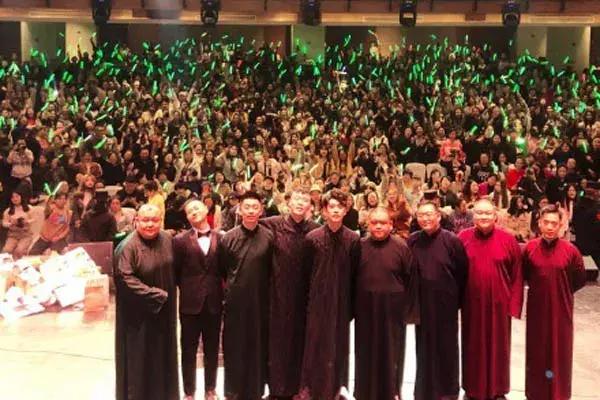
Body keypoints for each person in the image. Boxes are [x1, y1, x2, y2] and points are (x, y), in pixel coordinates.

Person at [458, 199, 524, 400]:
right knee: (472, 346)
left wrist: (513, 306)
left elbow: (517, 275)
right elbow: (454, 271)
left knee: (499, 348)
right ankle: (472, 388)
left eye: (488, 213)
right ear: (473, 216)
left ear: (495, 216)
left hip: (499, 305)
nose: (484, 217)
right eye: (479, 213)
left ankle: (498, 389)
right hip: (472, 304)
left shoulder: (508, 240)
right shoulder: (462, 238)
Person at [298, 189, 361, 400]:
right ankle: (310, 388)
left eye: (339, 207)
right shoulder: (312, 238)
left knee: (339, 344)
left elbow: (355, 274)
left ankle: (338, 388)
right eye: (331, 207)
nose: (335, 210)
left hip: (342, 301)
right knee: (315, 344)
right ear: (324, 211)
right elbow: (305, 273)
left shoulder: (353, 239)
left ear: (345, 210)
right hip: (317, 301)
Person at [260, 187, 320, 400]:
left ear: (310, 206)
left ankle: (299, 388)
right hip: (278, 293)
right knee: (277, 341)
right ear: (288, 202)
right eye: (297, 199)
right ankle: (277, 389)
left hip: (305, 294)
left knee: (301, 341)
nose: (300, 203)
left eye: (305, 200)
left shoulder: (316, 230)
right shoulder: (271, 225)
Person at [114, 204, 179, 400]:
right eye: (145, 220)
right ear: (136, 221)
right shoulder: (127, 247)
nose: (150, 224)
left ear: (161, 221)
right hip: (138, 318)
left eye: (155, 220)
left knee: (163, 358)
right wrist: (155, 295)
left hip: (165, 314)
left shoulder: (167, 239)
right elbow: (124, 278)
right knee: (139, 362)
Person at [523, 205, 586, 400]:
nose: (550, 227)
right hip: (537, 311)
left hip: (561, 311)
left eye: (554, 223)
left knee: (560, 353)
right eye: (546, 222)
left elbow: (579, 279)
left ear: (561, 226)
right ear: (539, 223)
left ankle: (559, 394)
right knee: (537, 352)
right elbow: (525, 275)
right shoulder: (530, 248)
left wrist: (562, 292)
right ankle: (536, 393)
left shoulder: (571, 251)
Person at [355, 207, 418, 400]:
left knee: (392, 352)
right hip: (365, 310)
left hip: (393, 311)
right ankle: (364, 393)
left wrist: (407, 311)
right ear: (368, 224)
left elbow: (410, 279)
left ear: (391, 225)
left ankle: (392, 392)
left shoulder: (401, 247)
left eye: (383, 223)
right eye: (374, 222)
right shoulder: (359, 247)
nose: (378, 226)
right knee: (365, 351)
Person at [407, 201, 468, 400]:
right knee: (423, 349)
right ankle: (424, 392)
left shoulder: (452, 241)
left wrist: (455, 300)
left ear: (438, 216)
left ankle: (448, 392)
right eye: (421, 215)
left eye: (429, 214)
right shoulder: (412, 241)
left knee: (447, 348)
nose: (425, 219)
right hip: (422, 305)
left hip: (446, 305)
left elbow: (462, 273)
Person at [219, 191, 273, 400]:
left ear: (261, 210)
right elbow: (223, 271)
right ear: (239, 210)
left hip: (261, 301)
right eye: (247, 207)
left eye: (255, 207)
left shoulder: (269, 237)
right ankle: (233, 391)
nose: (251, 211)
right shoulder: (228, 238)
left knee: (258, 346)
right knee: (235, 346)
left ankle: (256, 390)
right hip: (236, 303)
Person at [173, 199, 223, 400]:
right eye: (189, 211)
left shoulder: (221, 238)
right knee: (188, 350)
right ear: (187, 217)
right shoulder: (179, 240)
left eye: (196, 208)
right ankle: (189, 392)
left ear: (205, 209)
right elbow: (176, 272)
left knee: (212, 349)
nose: (194, 212)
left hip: (214, 302)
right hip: (190, 304)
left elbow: (224, 270)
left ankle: (210, 389)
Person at [1, 188, 33, 259]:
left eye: (17, 196)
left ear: (21, 197)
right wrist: (10, 223)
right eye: (13, 197)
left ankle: (18, 264)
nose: (15, 199)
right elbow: (4, 223)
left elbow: (34, 219)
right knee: (6, 250)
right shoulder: (8, 211)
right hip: (13, 235)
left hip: (25, 235)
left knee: (19, 250)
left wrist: (27, 221)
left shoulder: (29, 208)